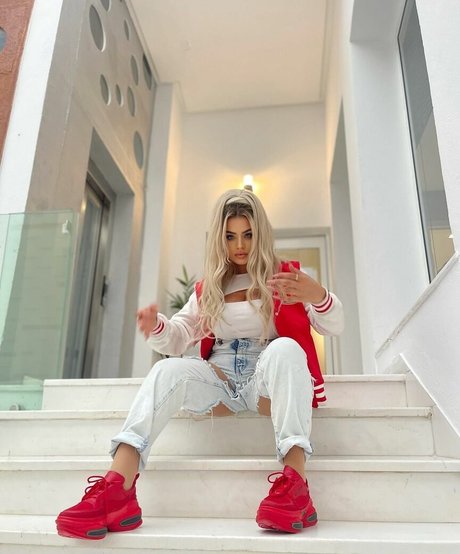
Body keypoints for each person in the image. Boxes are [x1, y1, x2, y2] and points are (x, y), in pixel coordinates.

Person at [56, 189, 344, 539]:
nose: (240, 245)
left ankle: (296, 485)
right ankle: (118, 489)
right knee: (165, 370)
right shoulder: (209, 288)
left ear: (261, 234)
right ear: (219, 239)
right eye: (230, 236)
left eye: (248, 234)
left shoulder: (287, 277)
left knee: (287, 348)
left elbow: (334, 325)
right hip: (218, 381)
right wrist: (156, 326)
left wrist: (319, 296)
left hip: (265, 381)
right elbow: (178, 337)